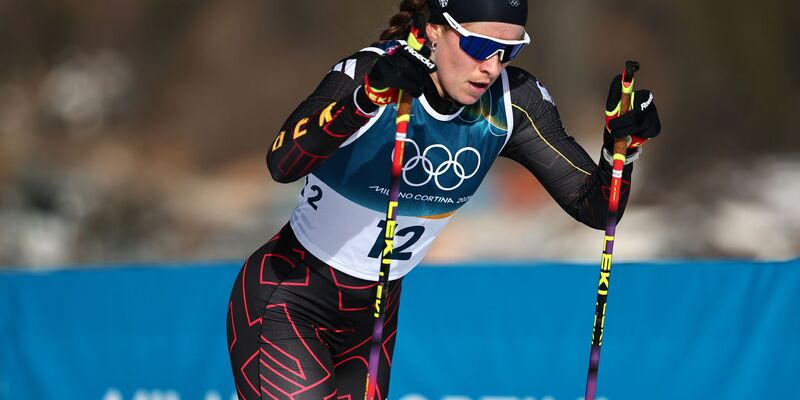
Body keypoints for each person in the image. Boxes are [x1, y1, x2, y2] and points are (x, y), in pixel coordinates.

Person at [226, 0, 661, 399]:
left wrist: (619, 151)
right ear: (435, 29)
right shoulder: (376, 73)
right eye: (478, 45)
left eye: (507, 51)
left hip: (373, 319)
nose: (491, 67)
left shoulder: (513, 101)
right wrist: (364, 101)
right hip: (288, 300)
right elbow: (281, 163)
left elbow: (596, 208)